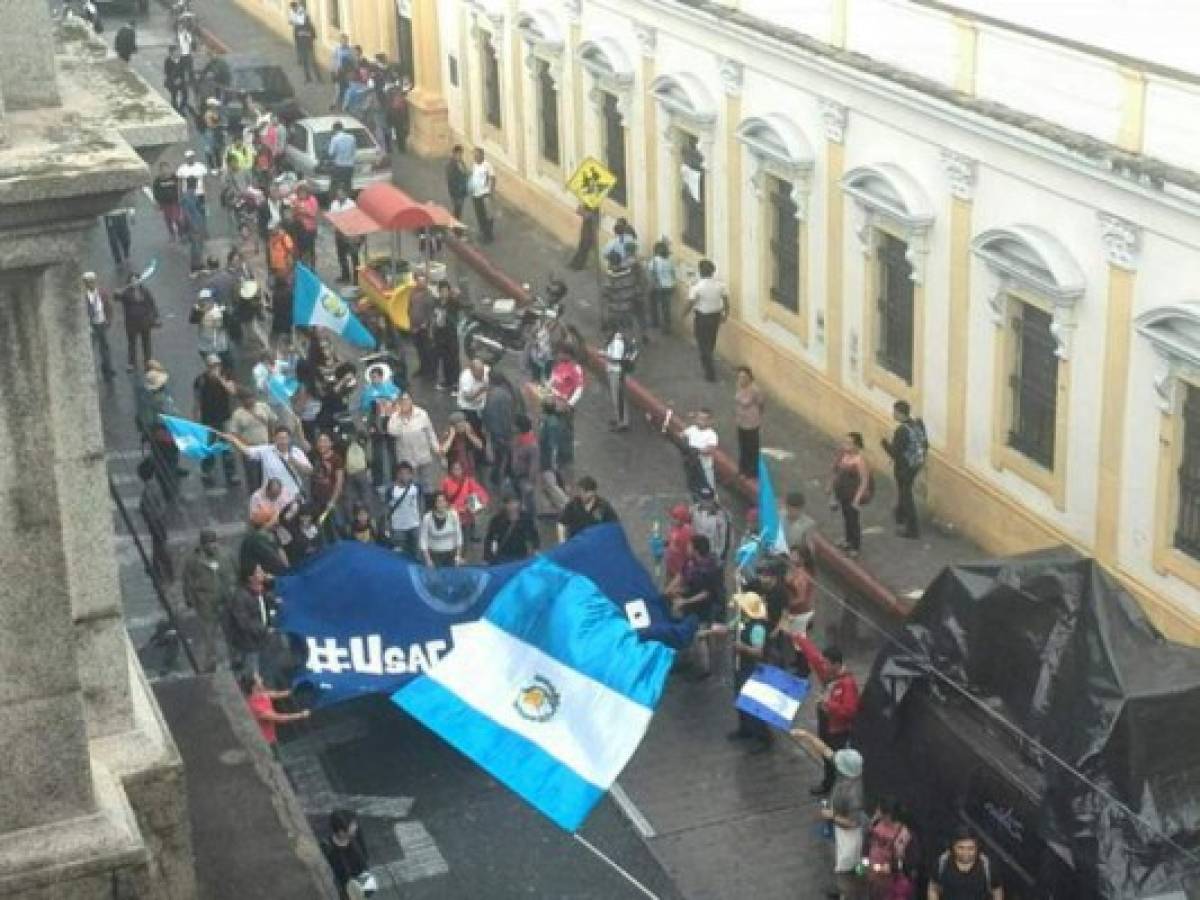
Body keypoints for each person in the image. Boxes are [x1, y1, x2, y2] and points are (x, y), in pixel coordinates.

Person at [791, 729, 866, 900]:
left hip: (849, 835)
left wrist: (831, 815)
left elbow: (853, 823)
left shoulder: (854, 793)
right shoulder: (846, 774)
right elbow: (826, 751)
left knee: (845, 868)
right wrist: (806, 736)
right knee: (839, 862)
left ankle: (847, 894)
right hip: (838, 826)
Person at [793, 635, 860, 796]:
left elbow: (850, 711)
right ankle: (828, 783)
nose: (823, 666)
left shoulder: (847, 684)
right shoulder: (829, 673)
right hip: (826, 722)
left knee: (835, 759)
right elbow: (815, 658)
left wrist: (829, 705)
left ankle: (837, 789)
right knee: (825, 755)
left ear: (836, 665)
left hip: (838, 730)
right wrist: (800, 639)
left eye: (827, 663)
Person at [666, 534, 724, 677]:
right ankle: (687, 659)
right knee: (688, 629)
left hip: (705, 606)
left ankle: (705, 669)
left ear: (696, 549)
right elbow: (682, 575)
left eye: (690, 545)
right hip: (691, 601)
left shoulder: (709, 569)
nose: (687, 547)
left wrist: (685, 601)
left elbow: (706, 593)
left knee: (701, 635)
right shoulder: (691, 562)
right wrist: (670, 589)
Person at [181, 530, 235, 672]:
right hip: (205, 602)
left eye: (214, 542)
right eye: (209, 543)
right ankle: (211, 664)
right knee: (208, 634)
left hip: (226, 600)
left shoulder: (226, 555)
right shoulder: (193, 560)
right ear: (203, 544)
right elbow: (187, 581)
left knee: (230, 632)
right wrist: (189, 599)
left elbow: (236, 572)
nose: (213, 546)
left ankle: (235, 661)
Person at [223, 425, 313, 503]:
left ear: (289, 439)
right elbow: (247, 451)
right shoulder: (266, 450)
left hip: (293, 496)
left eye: (285, 438)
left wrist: (295, 462)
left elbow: (309, 471)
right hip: (272, 496)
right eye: (279, 438)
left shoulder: (297, 451)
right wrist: (234, 440)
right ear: (274, 439)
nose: (282, 441)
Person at [728, 591, 771, 753]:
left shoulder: (758, 628)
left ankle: (763, 737)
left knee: (754, 702)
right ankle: (745, 728)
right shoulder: (742, 620)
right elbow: (728, 628)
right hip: (741, 667)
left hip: (753, 668)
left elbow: (758, 652)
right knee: (740, 697)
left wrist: (743, 648)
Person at [881, 400, 926, 540]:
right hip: (915, 464)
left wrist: (884, 444)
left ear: (900, 413)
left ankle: (912, 530)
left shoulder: (901, 431)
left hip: (904, 467)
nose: (893, 414)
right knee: (903, 490)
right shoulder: (917, 424)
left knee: (906, 495)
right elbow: (925, 444)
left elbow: (895, 452)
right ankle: (900, 515)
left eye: (895, 412)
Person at [192, 355, 240, 488]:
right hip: (208, 418)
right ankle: (207, 470)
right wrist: (196, 415)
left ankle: (231, 473)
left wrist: (220, 379)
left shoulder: (227, 377)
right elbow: (197, 399)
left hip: (224, 417)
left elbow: (232, 391)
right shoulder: (200, 380)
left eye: (217, 365)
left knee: (227, 447)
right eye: (212, 366)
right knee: (209, 446)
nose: (215, 368)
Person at [240, 670, 310, 753]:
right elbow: (280, 718)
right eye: (258, 679)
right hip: (266, 741)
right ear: (254, 686)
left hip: (271, 738)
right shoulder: (256, 707)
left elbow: (277, 694)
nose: (262, 679)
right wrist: (302, 715)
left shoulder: (262, 693)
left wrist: (296, 690)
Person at [684, 259, 730, 382]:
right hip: (715, 317)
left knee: (702, 343)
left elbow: (690, 302)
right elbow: (726, 301)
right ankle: (708, 359)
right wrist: (726, 314)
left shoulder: (697, 287)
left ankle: (709, 371)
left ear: (700, 271)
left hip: (702, 318)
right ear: (713, 271)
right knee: (711, 341)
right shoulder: (720, 285)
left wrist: (683, 314)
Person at [225, 564, 276, 675]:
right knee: (253, 675)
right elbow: (244, 623)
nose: (263, 574)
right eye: (258, 572)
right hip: (250, 645)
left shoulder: (262, 592)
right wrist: (264, 630)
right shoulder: (241, 597)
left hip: (264, 642)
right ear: (250, 577)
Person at [386, 394, 441, 492]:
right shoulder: (395, 417)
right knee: (411, 485)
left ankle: (428, 503)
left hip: (423, 455)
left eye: (407, 400)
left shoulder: (422, 413)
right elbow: (393, 432)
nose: (405, 403)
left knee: (427, 483)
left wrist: (436, 447)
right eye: (403, 401)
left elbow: (430, 431)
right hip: (407, 459)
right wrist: (400, 417)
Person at [928, 827, 1001, 900]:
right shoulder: (942, 862)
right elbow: (933, 888)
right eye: (960, 848)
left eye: (971, 848)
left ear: (977, 847)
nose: (965, 852)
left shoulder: (987, 865)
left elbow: (997, 892)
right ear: (953, 846)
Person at [864, 799, 917, 900]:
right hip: (875, 881)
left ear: (888, 814)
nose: (877, 813)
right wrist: (865, 862)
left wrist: (892, 867)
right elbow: (867, 844)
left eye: (880, 811)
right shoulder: (875, 825)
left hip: (895, 885)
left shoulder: (905, 835)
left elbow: (911, 862)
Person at [829, 432, 872, 557]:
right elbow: (836, 471)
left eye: (849, 443)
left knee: (853, 520)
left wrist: (857, 500)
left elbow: (864, 481)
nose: (845, 445)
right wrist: (832, 489)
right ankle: (847, 540)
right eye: (845, 442)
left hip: (852, 495)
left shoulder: (860, 460)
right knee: (846, 517)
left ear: (857, 445)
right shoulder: (843, 455)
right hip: (843, 494)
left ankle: (855, 546)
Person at [321, 810, 375, 900]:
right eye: (352, 825)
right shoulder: (328, 849)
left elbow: (364, 858)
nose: (355, 827)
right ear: (341, 832)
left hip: (361, 887)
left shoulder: (356, 835)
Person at [137, 457, 174, 585]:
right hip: (158, 521)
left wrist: (149, 516)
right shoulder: (153, 486)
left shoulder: (150, 489)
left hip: (156, 522)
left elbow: (152, 508)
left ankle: (165, 570)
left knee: (160, 545)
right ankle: (158, 567)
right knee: (158, 544)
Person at [114, 271, 159, 373]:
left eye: (136, 280)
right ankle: (131, 363)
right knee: (132, 344)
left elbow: (152, 304)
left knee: (146, 343)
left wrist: (154, 316)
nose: (135, 282)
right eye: (132, 280)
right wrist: (117, 292)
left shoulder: (145, 291)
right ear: (130, 282)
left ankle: (148, 362)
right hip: (131, 324)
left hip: (144, 322)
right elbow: (117, 297)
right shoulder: (126, 292)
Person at [481, 369, 518, 488]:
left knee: (500, 455)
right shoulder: (507, 392)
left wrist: (494, 432)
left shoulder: (494, 395)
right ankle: (504, 475)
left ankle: (498, 477)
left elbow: (492, 415)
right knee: (505, 454)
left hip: (499, 432)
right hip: (505, 431)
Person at [557, 475, 618, 543]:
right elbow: (561, 523)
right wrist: (562, 542)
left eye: (583, 492)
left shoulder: (603, 506)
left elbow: (613, 525)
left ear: (592, 492)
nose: (581, 494)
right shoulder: (573, 505)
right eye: (580, 491)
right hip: (576, 544)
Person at [441, 458, 489, 544]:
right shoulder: (446, 482)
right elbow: (443, 498)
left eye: (458, 469)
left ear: (462, 470)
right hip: (453, 515)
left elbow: (480, 492)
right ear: (451, 470)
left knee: (465, 539)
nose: (456, 471)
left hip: (467, 515)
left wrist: (483, 502)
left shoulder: (469, 481)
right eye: (454, 469)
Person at [381, 461, 424, 556]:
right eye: (402, 473)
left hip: (415, 526)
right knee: (400, 555)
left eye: (407, 473)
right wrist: (387, 525)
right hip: (398, 528)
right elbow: (387, 509)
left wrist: (421, 519)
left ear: (411, 475)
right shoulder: (391, 490)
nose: (404, 476)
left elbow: (421, 503)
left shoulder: (416, 487)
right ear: (397, 475)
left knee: (417, 553)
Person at [483, 494, 540, 563]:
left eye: (514, 502)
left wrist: (536, 549)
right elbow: (489, 538)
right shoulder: (497, 520)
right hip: (503, 555)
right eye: (509, 503)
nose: (512, 506)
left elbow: (534, 535)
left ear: (519, 503)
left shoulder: (525, 518)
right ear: (505, 505)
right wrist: (488, 555)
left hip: (521, 554)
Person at [82, 271, 116, 382]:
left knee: (105, 348)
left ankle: (107, 369)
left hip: (102, 324)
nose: (91, 284)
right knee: (90, 348)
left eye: (92, 281)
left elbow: (108, 307)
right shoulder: (84, 296)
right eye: (88, 282)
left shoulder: (102, 293)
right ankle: (88, 370)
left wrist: (108, 321)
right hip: (91, 326)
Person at [733, 366, 765, 479]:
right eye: (739, 377)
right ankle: (742, 469)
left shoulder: (755, 390)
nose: (741, 379)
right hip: (741, 422)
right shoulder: (739, 387)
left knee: (751, 448)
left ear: (749, 377)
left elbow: (761, 404)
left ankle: (751, 472)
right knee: (743, 447)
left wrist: (758, 417)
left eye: (744, 377)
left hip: (752, 423)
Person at [691, 486, 732, 572]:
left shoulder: (721, 515)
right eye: (703, 498)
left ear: (713, 499)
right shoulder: (694, 510)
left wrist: (721, 557)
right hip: (697, 554)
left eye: (708, 499)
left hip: (713, 555)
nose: (705, 502)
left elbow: (726, 538)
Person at [430, 280, 462, 391]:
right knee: (444, 360)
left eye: (446, 291)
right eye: (442, 291)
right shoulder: (437, 303)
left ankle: (455, 383)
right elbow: (433, 317)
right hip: (440, 336)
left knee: (454, 360)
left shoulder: (452, 303)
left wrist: (456, 295)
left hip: (451, 336)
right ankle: (447, 381)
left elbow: (459, 304)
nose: (444, 293)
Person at [419, 491, 463, 567]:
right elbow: (423, 540)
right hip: (434, 555)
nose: (441, 504)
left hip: (450, 555)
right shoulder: (427, 517)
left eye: (443, 501)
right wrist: (428, 559)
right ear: (435, 503)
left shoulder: (453, 515)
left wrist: (458, 556)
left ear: (446, 503)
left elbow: (459, 536)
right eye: (439, 501)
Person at [328, 188, 362, 284]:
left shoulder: (351, 204)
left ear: (346, 194)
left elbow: (354, 219)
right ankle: (345, 275)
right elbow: (332, 216)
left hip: (350, 232)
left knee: (354, 256)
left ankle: (357, 278)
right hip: (339, 232)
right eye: (338, 194)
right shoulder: (334, 204)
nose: (340, 196)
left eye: (341, 194)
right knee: (341, 255)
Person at [683, 408, 719, 494]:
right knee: (693, 481)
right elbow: (682, 435)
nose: (699, 421)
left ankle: (712, 498)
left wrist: (697, 450)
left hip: (704, 465)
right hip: (691, 462)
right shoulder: (692, 429)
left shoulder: (711, 434)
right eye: (698, 418)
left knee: (707, 484)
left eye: (703, 419)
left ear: (709, 421)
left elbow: (711, 448)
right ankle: (696, 497)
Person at [602, 325, 631, 432]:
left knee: (618, 398)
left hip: (616, 372)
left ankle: (622, 422)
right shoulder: (613, 341)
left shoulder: (617, 342)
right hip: (613, 371)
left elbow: (616, 359)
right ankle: (618, 417)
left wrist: (604, 355)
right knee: (616, 397)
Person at [647, 239, 677, 333]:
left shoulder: (655, 261)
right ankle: (667, 326)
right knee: (666, 307)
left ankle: (655, 322)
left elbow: (650, 273)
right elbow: (673, 274)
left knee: (653, 303)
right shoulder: (671, 261)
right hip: (670, 286)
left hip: (658, 286)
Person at [782, 491, 818, 571]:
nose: (792, 512)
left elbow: (808, 543)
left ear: (801, 509)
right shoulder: (779, 516)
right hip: (779, 552)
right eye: (789, 509)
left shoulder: (808, 524)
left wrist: (800, 554)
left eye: (796, 509)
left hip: (795, 555)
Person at [180, 176, 207, 275]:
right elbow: (186, 213)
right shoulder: (187, 196)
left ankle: (199, 265)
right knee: (195, 247)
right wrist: (192, 225)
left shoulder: (193, 195)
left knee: (199, 245)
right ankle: (194, 268)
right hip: (194, 224)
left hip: (198, 222)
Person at [469, 147, 496, 243]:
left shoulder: (487, 165)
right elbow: (473, 176)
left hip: (484, 194)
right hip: (476, 194)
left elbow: (492, 178)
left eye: (477, 155)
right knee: (479, 215)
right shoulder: (474, 165)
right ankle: (483, 232)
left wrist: (491, 192)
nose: (475, 157)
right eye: (474, 155)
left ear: (482, 155)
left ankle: (489, 235)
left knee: (487, 215)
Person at [289, 2, 320, 82]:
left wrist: (308, 36)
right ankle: (308, 78)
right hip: (302, 46)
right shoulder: (297, 27)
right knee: (305, 62)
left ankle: (318, 78)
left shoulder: (309, 26)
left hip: (309, 46)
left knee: (313, 62)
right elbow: (296, 38)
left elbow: (314, 36)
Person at [325, 121, 357, 197]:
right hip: (349, 166)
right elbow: (354, 152)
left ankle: (332, 202)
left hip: (339, 166)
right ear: (342, 128)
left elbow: (330, 153)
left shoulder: (335, 138)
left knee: (334, 185)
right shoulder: (352, 137)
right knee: (348, 184)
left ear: (334, 129)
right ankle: (349, 202)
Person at [663, 504, 693, 583]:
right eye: (673, 517)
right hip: (671, 564)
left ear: (682, 519)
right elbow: (671, 540)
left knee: (677, 589)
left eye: (675, 518)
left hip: (680, 568)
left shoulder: (687, 532)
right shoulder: (674, 527)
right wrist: (665, 543)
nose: (673, 520)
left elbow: (689, 552)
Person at [291, 183, 320, 267]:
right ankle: (302, 266)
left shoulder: (312, 200)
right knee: (300, 249)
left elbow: (313, 213)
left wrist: (304, 211)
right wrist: (296, 210)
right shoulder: (296, 200)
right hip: (299, 229)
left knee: (310, 249)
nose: (301, 194)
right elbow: (293, 213)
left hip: (310, 229)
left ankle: (312, 267)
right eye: (300, 192)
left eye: (303, 192)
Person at [567, 204, 600, 270]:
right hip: (586, 232)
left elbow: (585, 215)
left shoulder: (594, 210)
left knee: (583, 249)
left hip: (589, 234)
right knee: (582, 248)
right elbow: (578, 211)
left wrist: (582, 210)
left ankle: (577, 266)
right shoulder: (589, 206)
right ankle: (575, 265)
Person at [445, 144, 470, 221]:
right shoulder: (450, 165)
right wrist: (456, 192)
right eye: (458, 154)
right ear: (454, 153)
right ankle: (455, 227)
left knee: (459, 210)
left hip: (462, 191)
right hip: (456, 192)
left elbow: (464, 172)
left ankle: (456, 225)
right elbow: (451, 180)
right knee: (457, 210)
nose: (460, 156)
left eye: (461, 154)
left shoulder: (461, 162)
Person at [164, 45, 190, 114]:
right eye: (177, 51)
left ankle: (181, 108)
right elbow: (167, 72)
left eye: (179, 51)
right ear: (172, 52)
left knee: (185, 95)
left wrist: (181, 79)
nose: (179, 53)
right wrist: (174, 80)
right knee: (174, 95)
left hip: (181, 81)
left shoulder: (182, 60)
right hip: (172, 82)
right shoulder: (168, 61)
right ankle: (175, 108)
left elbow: (184, 70)